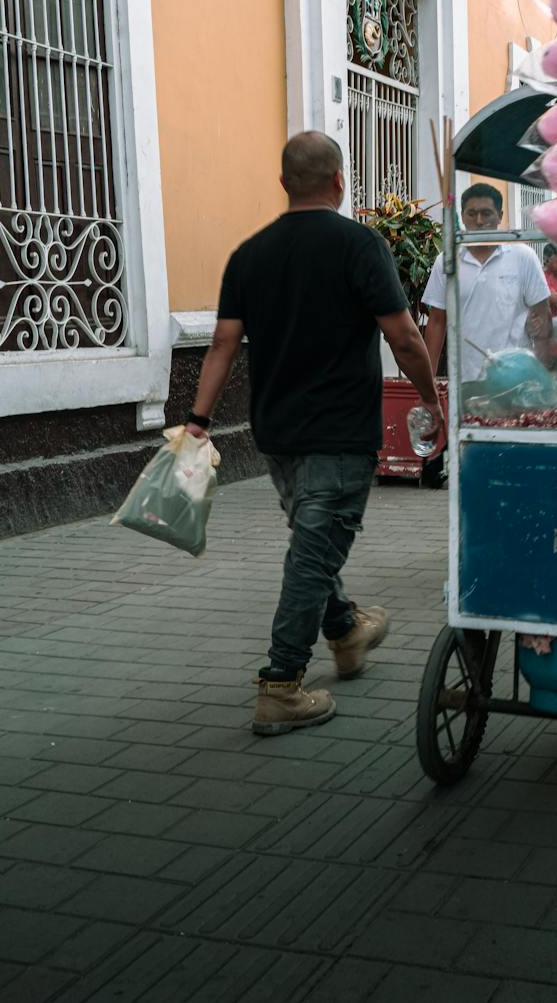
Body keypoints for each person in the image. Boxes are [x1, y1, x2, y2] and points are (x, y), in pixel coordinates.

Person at [186, 133, 441, 735]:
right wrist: (431, 400)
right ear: (339, 181)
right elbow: (404, 337)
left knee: (312, 542)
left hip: (276, 432)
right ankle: (281, 685)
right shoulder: (360, 245)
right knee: (313, 553)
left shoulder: (249, 254)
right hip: (340, 431)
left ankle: (346, 631)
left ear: (284, 184)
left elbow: (223, 342)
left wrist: (198, 421)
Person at [423, 184, 553, 381]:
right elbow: (436, 321)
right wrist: (428, 382)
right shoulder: (447, 261)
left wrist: (542, 375)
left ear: (500, 216)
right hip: (466, 381)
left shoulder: (523, 256)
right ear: (462, 216)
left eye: (486, 213)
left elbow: (543, 316)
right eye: (472, 214)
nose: (479, 221)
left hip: (517, 379)